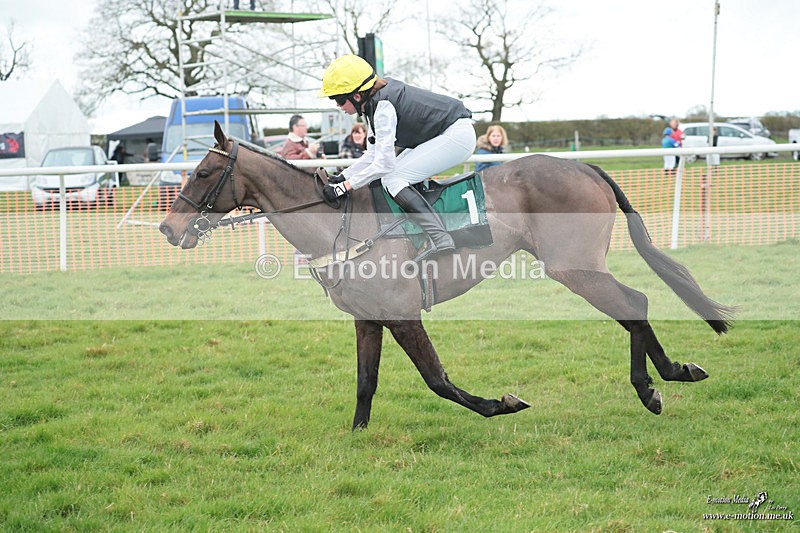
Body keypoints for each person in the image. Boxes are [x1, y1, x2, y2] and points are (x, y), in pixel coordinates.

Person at [318, 54, 475, 258]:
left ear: (357, 96)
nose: (338, 106)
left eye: (339, 100)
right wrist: (343, 176)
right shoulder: (373, 104)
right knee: (391, 177)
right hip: (445, 132)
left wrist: (343, 188)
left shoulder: (382, 107)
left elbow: (383, 165)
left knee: (393, 177)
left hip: (456, 135)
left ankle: (441, 238)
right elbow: (373, 154)